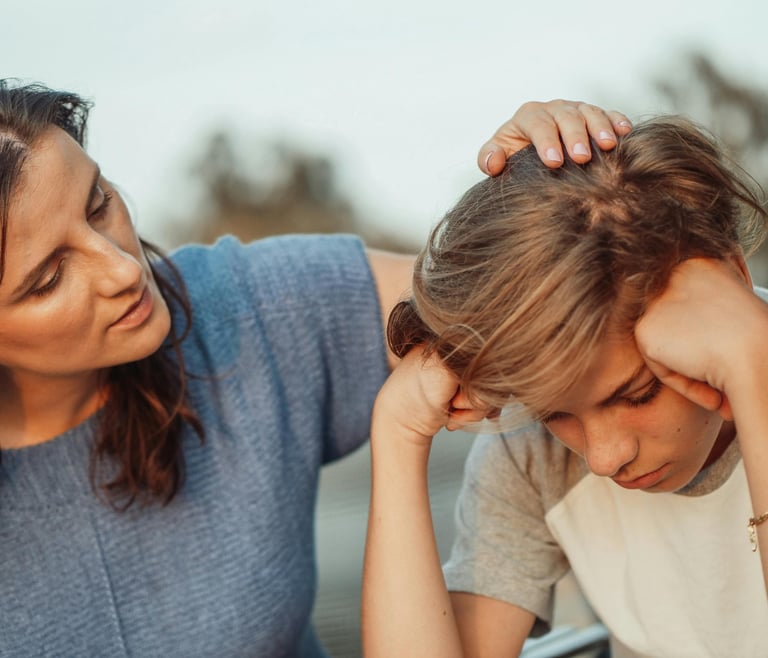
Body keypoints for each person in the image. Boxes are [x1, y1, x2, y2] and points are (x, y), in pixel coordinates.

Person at [0, 81, 630, 656]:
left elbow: (528, 293)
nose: (124, 270)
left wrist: (559, 190)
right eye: (49, 278)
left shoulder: (245, 309)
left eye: (98, 203)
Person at [362, 112, 768, 657]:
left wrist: (755, 370)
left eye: (637, 393)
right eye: (554, 412)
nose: (603, 457)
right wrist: (398, 433)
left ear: (733, 279)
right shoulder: (532, 457)